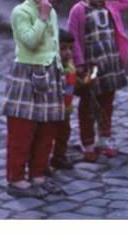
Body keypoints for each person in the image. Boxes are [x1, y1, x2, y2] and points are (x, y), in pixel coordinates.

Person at [2, 0, 65, 197]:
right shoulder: (21, 12)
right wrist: (41, 17)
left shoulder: (52, 12)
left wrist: (60, 69)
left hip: (49, 75)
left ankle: (38, 175)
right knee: (22, 130)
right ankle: (16, 179)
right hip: (27, 74)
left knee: (46, 129)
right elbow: (30, 42)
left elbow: (54, 44)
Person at [67, 0, 128, 162]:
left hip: (110, 64)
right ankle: (87, 141)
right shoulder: (78, 10)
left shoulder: (110, 6)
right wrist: (78, 62)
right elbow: (73, 39)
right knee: (88, 103)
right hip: (91, 67)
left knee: (107, 103)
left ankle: (105, 138)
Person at [50, 28, 77, 170]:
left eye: (71, 49)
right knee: (48, 136)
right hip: (52, 111)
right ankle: (42, 161)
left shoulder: (71, 68)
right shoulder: (53, 68)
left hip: (66, 110)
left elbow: (73, 87)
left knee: (64, 134)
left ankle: (59, 156)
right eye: (63, 49)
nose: (68, 52)